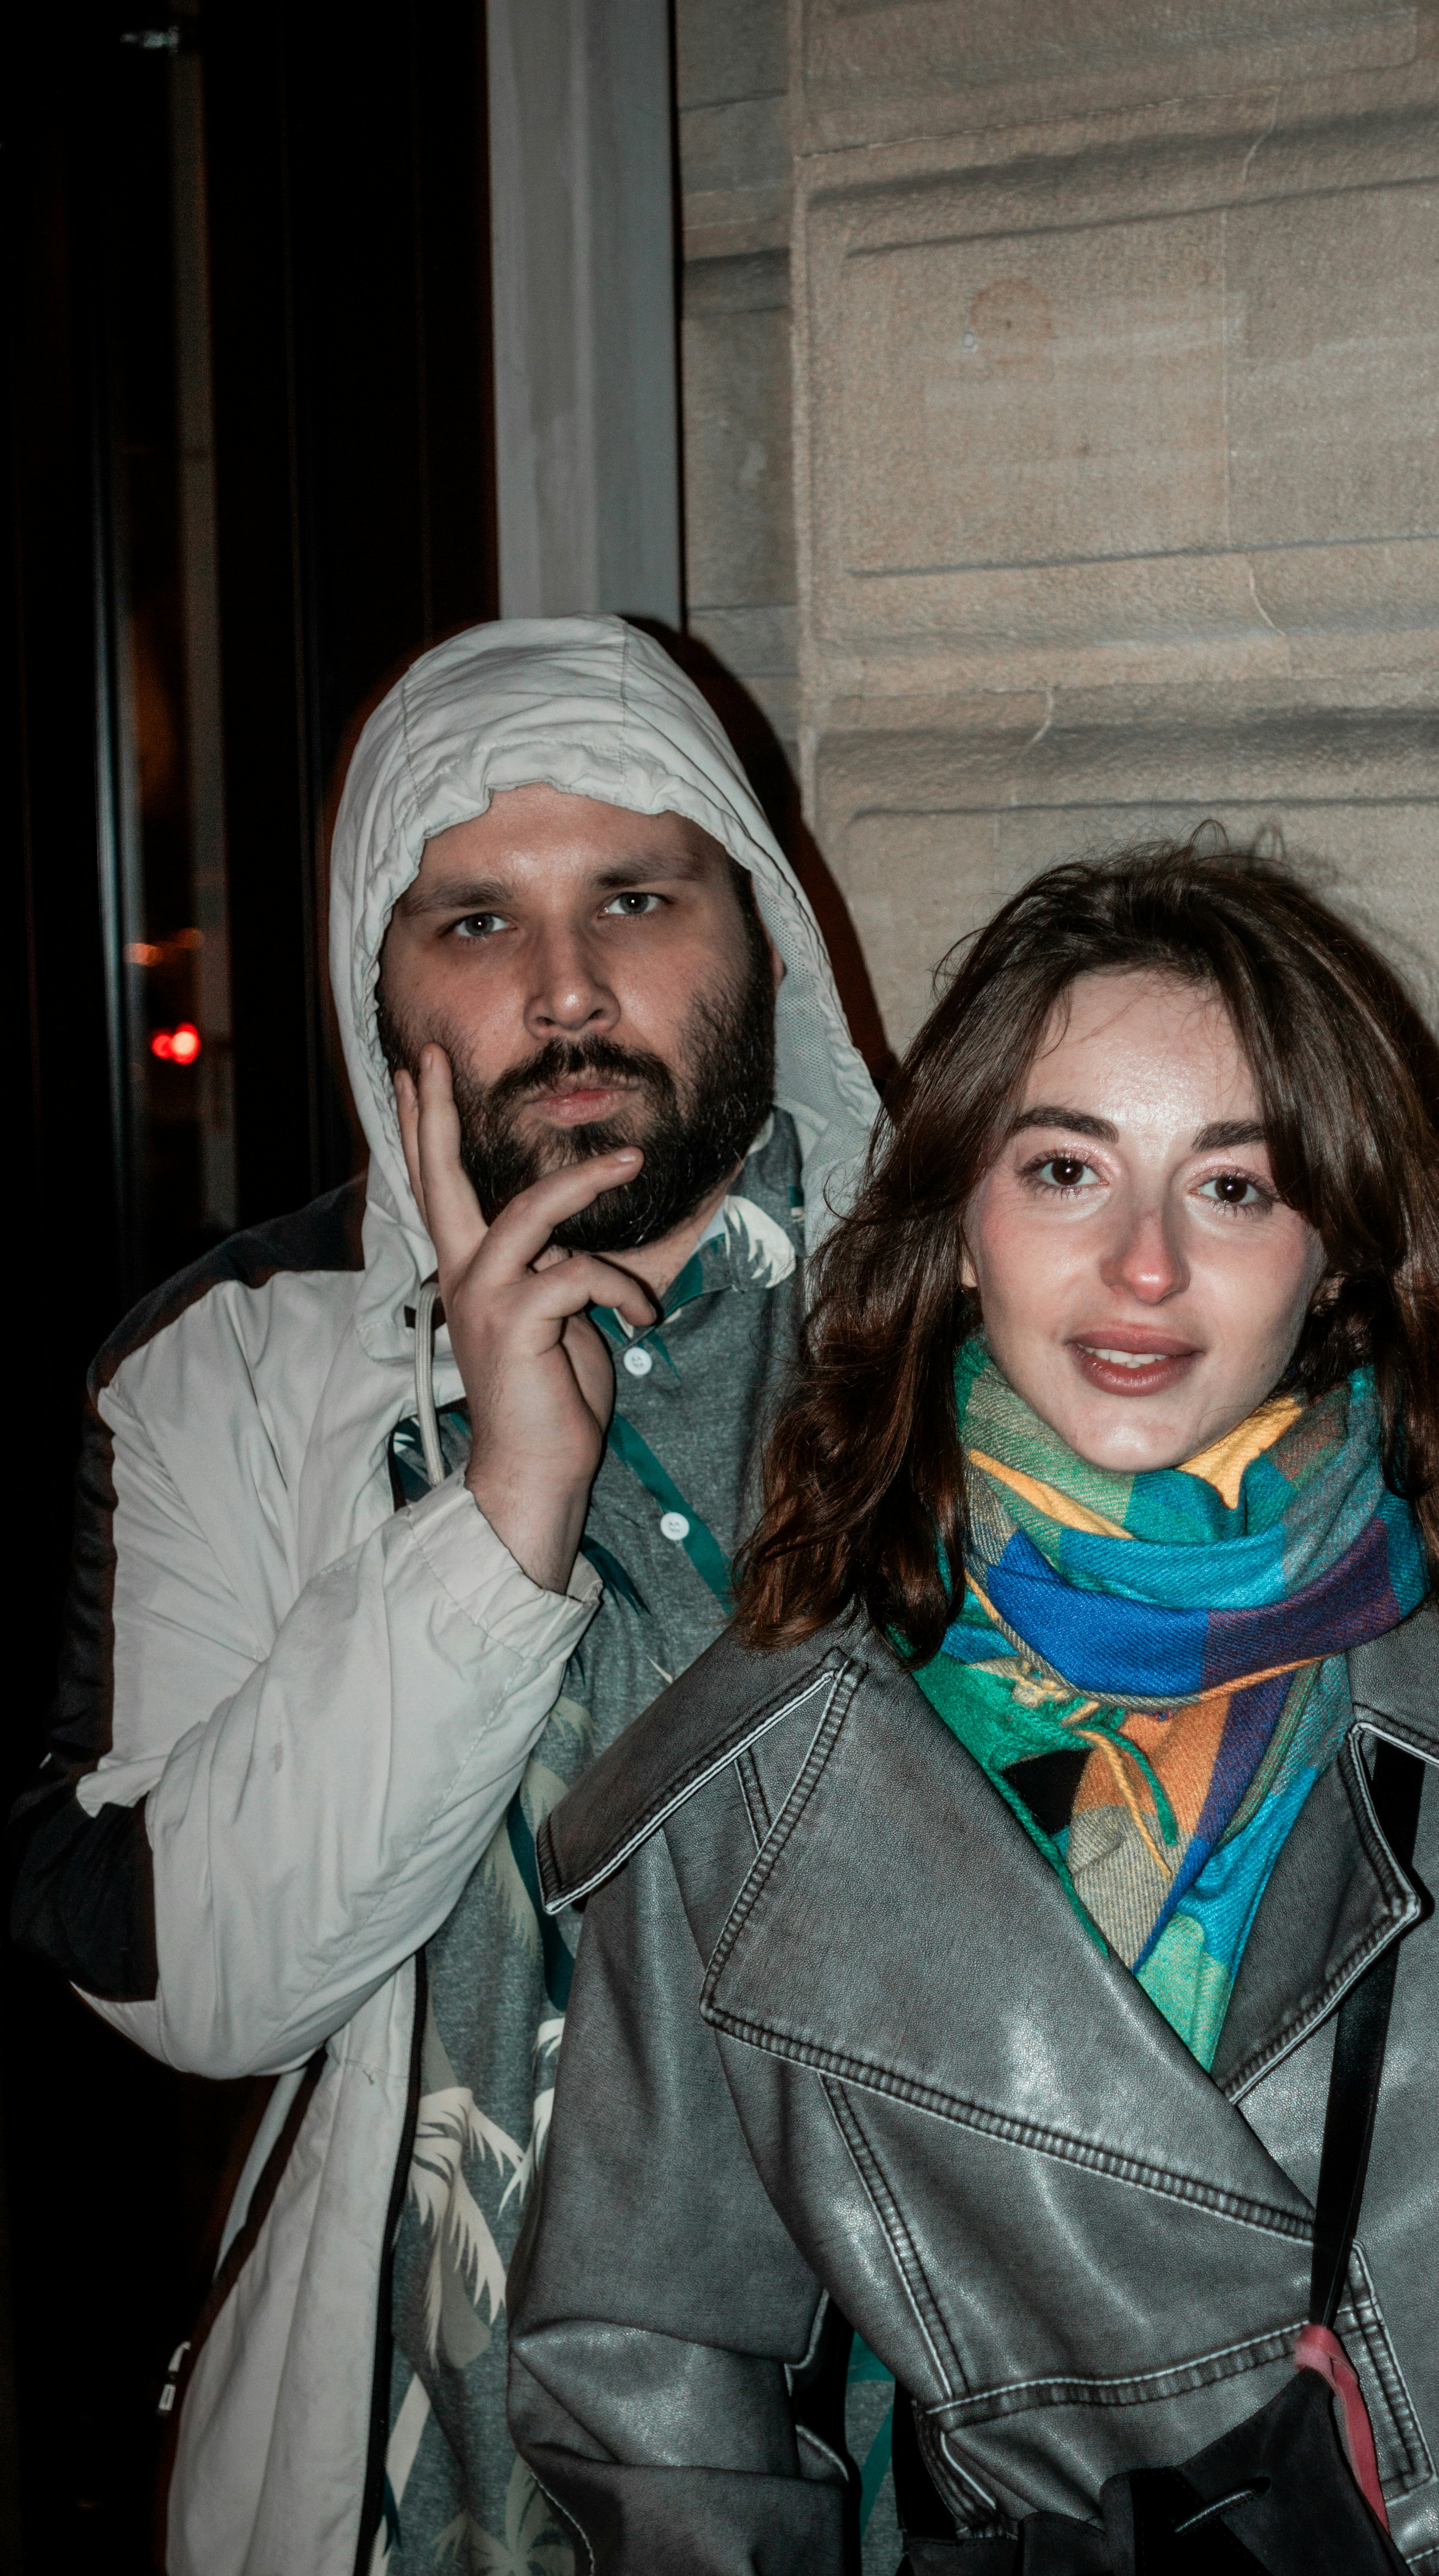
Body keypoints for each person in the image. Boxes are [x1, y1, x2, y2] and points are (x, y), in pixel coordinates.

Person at [508, 844, 1439, 2573]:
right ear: (960, 1224)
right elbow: (649, 2386)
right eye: (1066, 1169)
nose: (1144, 1268)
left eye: (1234, 1187)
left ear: (1339, 1253)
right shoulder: (751, 1796)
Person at [6, 617, 877, 2575]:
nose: (566, 989)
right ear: (375, 988)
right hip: (414, 2489)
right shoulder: (233, 1370)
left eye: (636, 898)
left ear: (760, 936)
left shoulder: (965, 1317)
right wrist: (501, 1516)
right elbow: (194, 1982)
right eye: (476, 924)